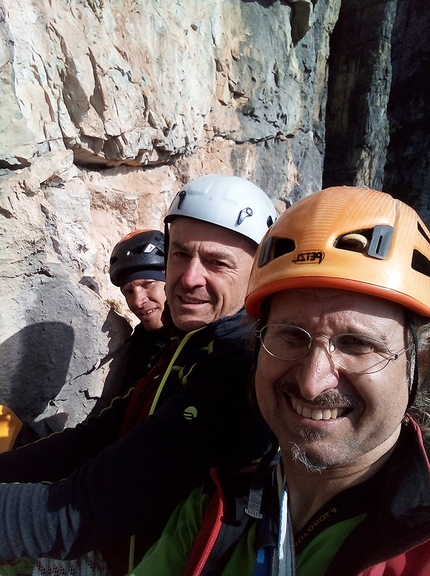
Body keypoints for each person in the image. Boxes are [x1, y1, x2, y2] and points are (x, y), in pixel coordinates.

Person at [130, 186, 430, 576]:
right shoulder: (212, 510)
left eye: (356, 344)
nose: (312, 382)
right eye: (290, 335)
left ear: (416, 365)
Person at [0, 174, 277, 575]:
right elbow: (95, 438)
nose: (189, 277)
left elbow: (85, 508)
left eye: (217, 262)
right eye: (180, 255)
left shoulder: (236, 368)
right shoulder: (187, 343)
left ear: (258, 273)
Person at [108, 229, 167, 389]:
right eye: (128, 292)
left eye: (148, 284)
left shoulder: (208, 340)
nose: (138, 302)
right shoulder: (142, 342)